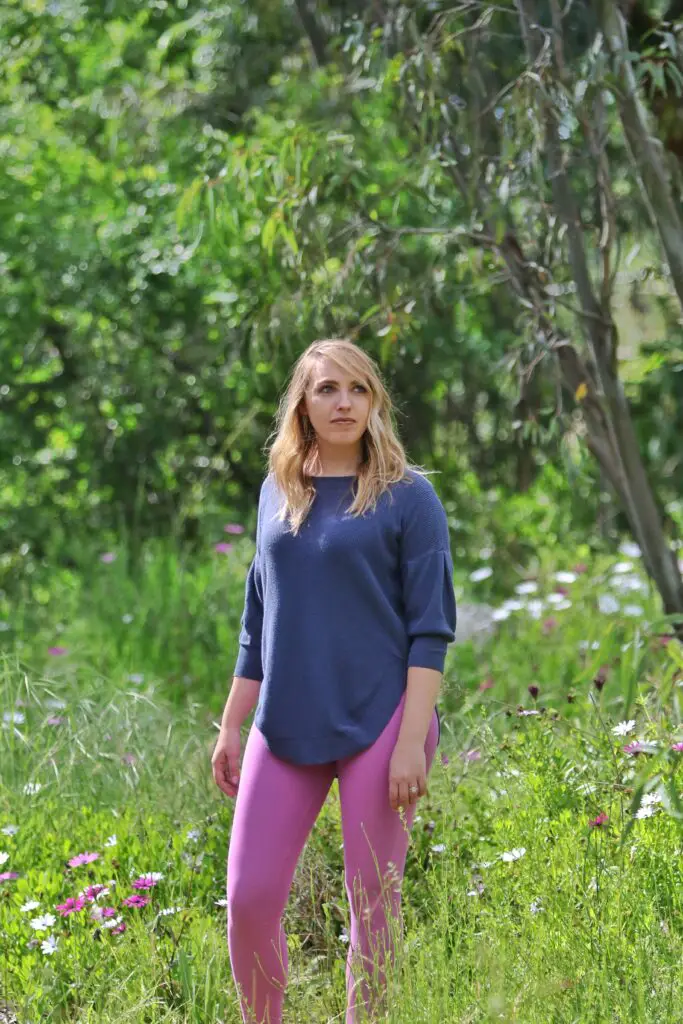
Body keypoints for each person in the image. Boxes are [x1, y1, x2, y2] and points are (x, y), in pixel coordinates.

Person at [211, 338, 457, 1023]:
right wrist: (232, 723)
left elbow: (431, 629)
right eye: (326, 389)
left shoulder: (410, 497)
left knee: (371, 903)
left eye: (356, 388)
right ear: (303, 403)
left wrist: (412, 741)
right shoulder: (276, 490)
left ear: (374, 401)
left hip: (383, 721)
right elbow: (258, 622)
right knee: (249, 896)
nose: (342, 402)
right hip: (285, 721)